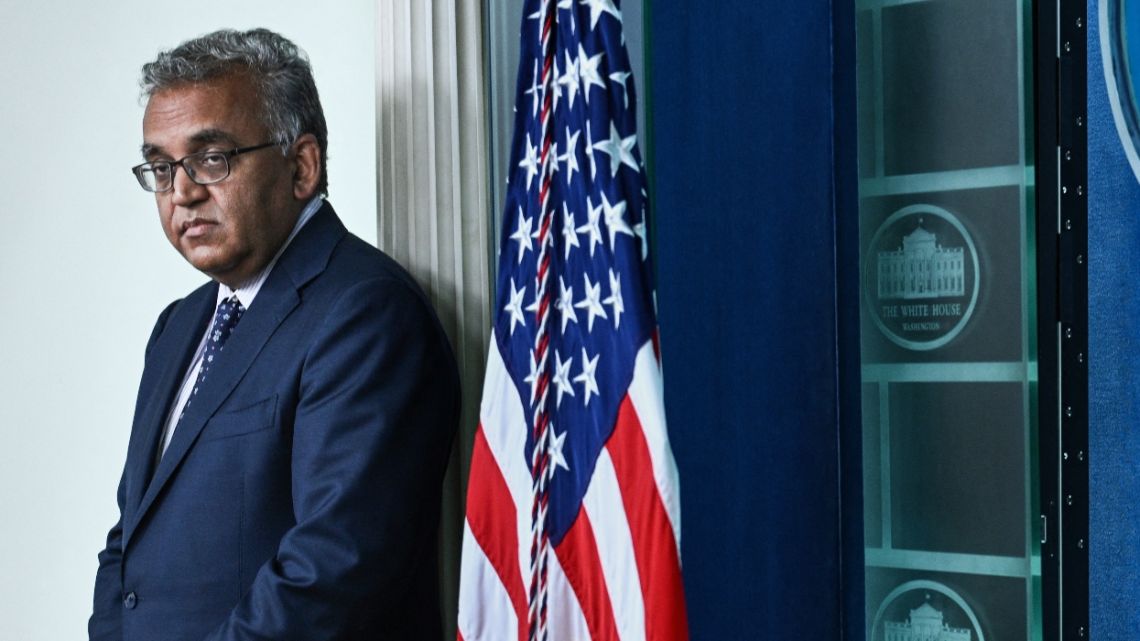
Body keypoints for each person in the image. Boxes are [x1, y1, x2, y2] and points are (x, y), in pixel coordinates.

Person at [89, 28, 460, 641]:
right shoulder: (179, 326)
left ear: (302, 165)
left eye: (212, 158)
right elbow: (129, 543)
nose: (182, 192)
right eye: (161, 167)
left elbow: (333, 569)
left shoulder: (365, 314)